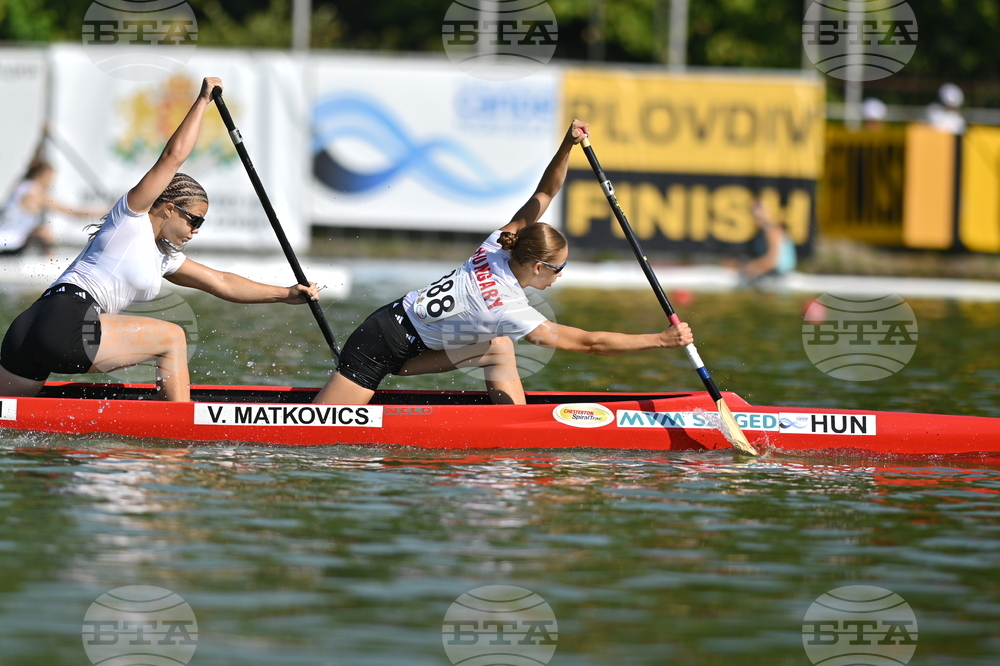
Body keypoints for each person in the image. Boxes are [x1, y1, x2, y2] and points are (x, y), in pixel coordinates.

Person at [314, 120, 695, 406]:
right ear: (537, 267)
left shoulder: (498, 244)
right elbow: (590, 344)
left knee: (500, 346)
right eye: (559, 269)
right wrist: (660, 341)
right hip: (378, 347)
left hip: (400, 330)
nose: (560, 277)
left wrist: (567, 145)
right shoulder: (509, 307)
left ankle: (512, 425)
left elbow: (545, 191)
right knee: (317, 434)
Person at [0, 77, 319, 402]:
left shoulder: (164, 257)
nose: (196, 229)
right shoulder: (130, 218)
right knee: (173, 338)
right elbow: (173, 157)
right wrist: (202, 101)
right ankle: (179, 438)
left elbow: (221, 282)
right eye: (193, 219)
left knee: (15, 426)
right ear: (169, 209)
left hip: (26, 328)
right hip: (68, 323)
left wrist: (286, 294)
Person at [0, 161, 104, 257]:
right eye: (50, 177)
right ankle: (51, 262)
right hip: (10, 246)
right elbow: (74, 213)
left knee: (39, 229)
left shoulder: (20, 186)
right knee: (45, 231)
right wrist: (106, 211)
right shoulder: (38, 195)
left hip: (4, 241)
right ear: (41, 175)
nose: (51, 182)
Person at [740, 200, 797, 284]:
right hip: (774, 274)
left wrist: (749, 268)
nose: (756, 220)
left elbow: (772, 261)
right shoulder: (761, 232)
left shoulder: (772, 230)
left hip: (781, 275)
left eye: (759, 217)